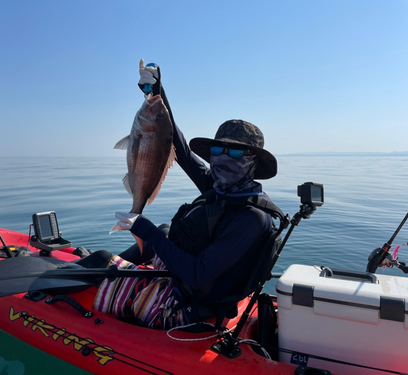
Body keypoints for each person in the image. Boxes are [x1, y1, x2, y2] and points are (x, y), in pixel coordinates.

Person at [78, 60, 278, 330]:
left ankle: (44, 293)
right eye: (218, 151)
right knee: (166, 229)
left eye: (235, 152)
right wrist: (158, 89)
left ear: (253, 161)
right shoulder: (220, 188)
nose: (222, 159)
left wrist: (147, 233)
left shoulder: (252, 218)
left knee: (103, 258)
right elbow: (179, 148)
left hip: (183, 307)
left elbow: (198, 274)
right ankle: (119, 266)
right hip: (187, 288)